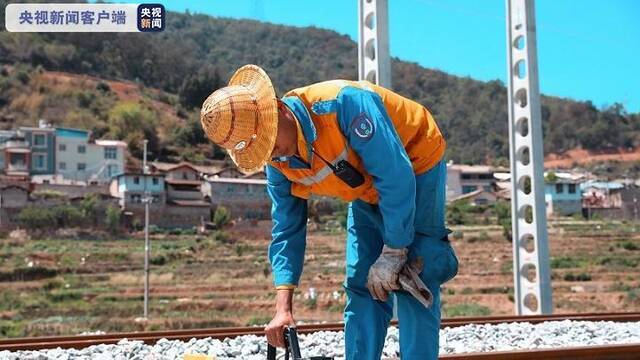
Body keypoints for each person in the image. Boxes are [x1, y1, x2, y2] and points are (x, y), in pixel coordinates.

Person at [200, 64, 458, 360]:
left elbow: (396, 177)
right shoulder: (278, 163)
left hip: (415, 163)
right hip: (366, 188)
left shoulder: (344, 105)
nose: (274, 155)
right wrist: (283, 308)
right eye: (263, 152)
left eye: (270, 143)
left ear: (279, 111)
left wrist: (395, 250)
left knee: (414, 274)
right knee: (362, 281)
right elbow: (286, 230)